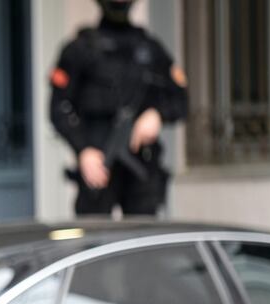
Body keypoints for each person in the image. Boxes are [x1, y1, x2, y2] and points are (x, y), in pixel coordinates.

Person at [50, 0, 188, 217]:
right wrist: (83, 150)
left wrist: (157, 115)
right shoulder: (80, 49)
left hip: (141, 165)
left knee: (144, 241)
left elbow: (180, 99)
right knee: (93, 239)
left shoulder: (150, 49)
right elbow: (59, 107)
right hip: (98, 162)